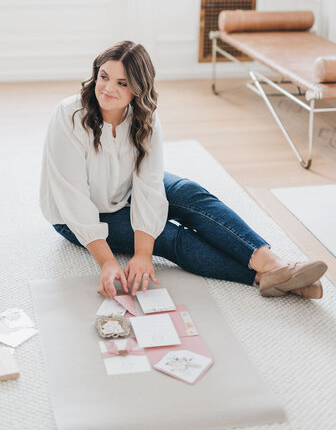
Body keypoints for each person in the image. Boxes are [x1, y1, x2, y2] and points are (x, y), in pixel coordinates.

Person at [40, 41, 327, 300]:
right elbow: (73, 198)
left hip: (123, 192)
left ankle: (275, 265)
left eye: (122, 83)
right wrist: (108, 262)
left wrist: (142, 252)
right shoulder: (69, 115)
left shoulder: (145, 118)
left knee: (189, 193)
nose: (108, 88)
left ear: (138, 88)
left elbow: (149, 184)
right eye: (104, 77)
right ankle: (264, 278)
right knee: (167, 235)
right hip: (73, 216)